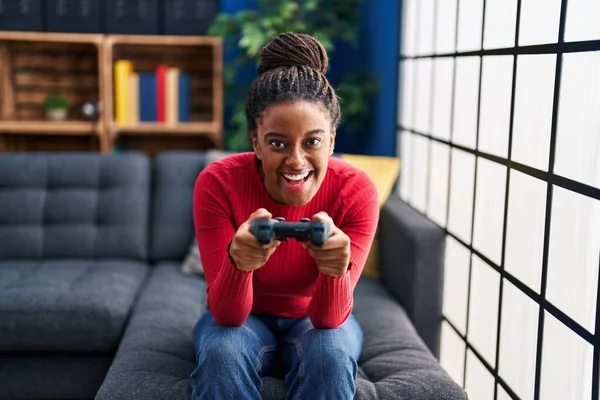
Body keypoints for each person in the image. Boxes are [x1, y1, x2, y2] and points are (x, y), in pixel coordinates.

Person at [190, 32, 380, 400]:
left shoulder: (356, 191)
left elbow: (328, 319)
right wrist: (239, 263)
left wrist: (334, 270)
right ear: (255, 141)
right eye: (277, 143)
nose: (296, 161)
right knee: (223, 352)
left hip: (315, 318)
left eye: (313, 141)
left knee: (330, 353)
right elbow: (228, 316)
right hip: (244, 318)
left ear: (332, 141)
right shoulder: (217, 183)